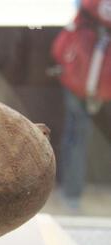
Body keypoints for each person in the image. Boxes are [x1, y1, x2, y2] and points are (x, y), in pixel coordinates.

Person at [51, 0, 111, 212]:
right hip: (86, 72)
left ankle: (71, 195)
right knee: (77, 134)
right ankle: (72, 195)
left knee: (76, 135)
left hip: (79, 71)